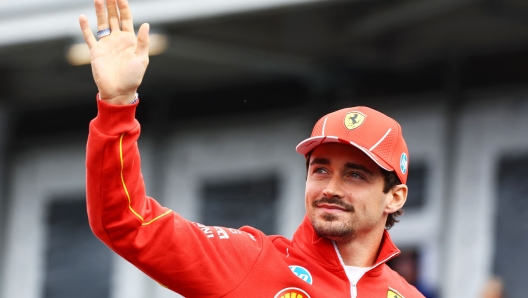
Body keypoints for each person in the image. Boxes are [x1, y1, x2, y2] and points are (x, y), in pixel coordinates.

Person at [80, 0, 424, 297]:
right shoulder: (250, 261)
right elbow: (125, 221)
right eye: (320, 169)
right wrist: (117, 104)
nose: (330, 189)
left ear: (394, 197)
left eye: (354, 175)